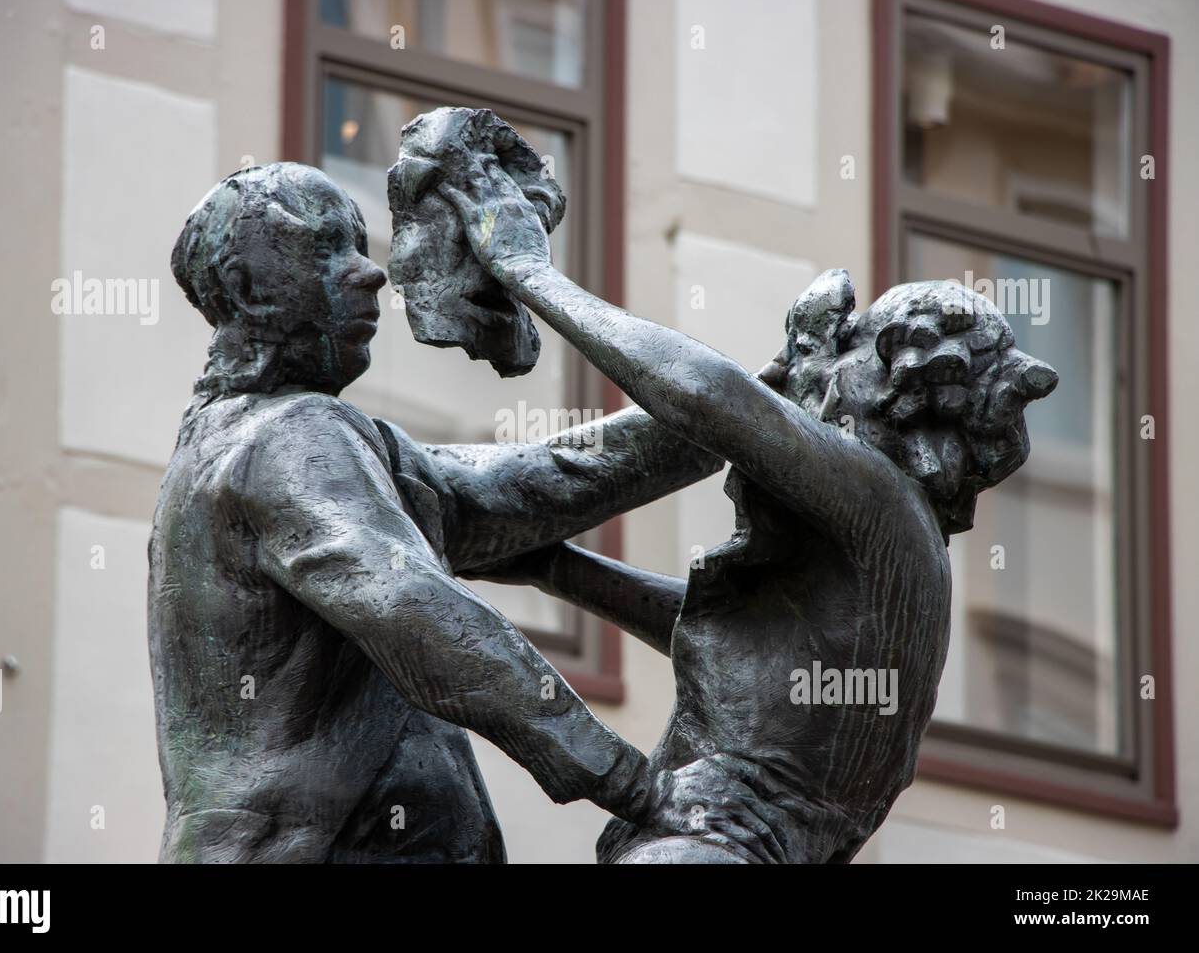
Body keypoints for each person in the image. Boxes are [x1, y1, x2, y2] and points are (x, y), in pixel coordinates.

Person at [148, 162, 773, 862]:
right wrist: (629, 781)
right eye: (326, 249)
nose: (370, 272)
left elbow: (542, 482)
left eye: (359, 244)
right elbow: (414, 610)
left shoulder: (281, 443)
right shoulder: (289, 437)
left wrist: (765, 407)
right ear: (247, 289)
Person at [440, 156, 1058, 863]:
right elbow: (747, 657)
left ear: (899, 379)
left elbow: (708, 395)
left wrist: (526, 270)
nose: (815, 371)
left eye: (844, 347)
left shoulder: (879, 497)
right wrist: (556, 569)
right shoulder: (900, 555)